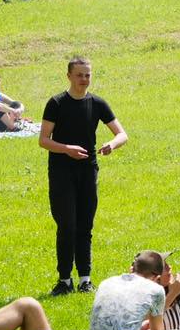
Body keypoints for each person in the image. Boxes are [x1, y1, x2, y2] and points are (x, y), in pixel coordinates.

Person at [39, 58, 127, 295]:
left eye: (87, 75)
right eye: (79, 75)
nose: (84, 80)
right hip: (61, 172)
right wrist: (67, 149)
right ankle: (64, 280)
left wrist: (112, 144)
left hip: (88, 171)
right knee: (67, 224)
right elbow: (44, 140)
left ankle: (85, 279)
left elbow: (122, 134)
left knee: (85, 226)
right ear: (69, 76)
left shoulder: (97, 103)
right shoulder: (56, 103)